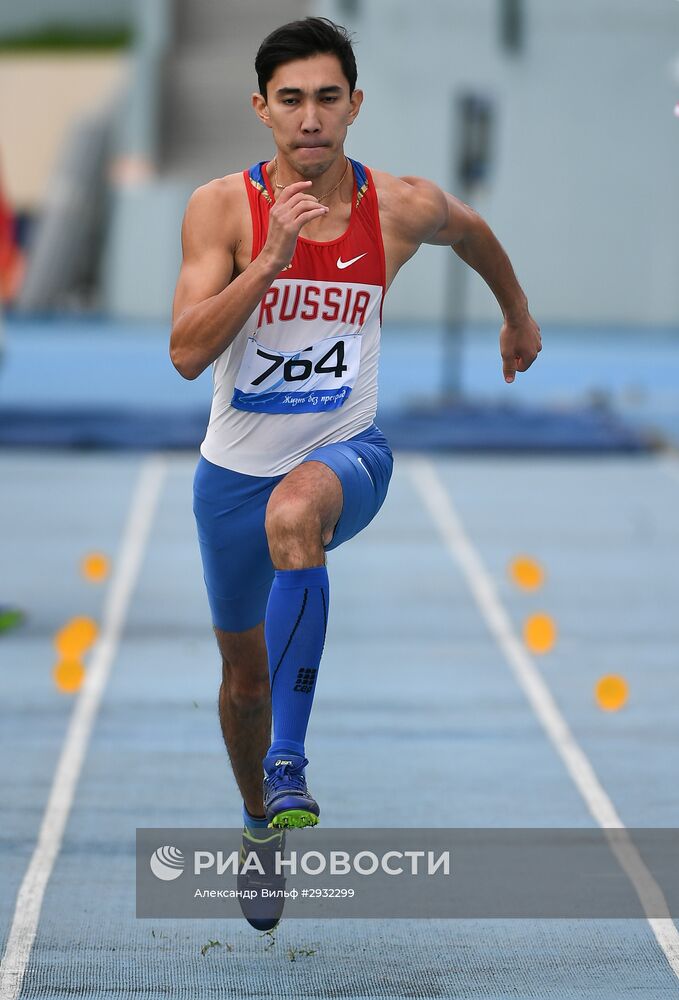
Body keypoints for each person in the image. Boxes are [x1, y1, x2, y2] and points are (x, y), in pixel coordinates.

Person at [170, 16, 541, 927]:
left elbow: (475, 231)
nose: (309, 118)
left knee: (297, 514)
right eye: (290, 100)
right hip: (230, 477)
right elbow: (184, 354)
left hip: (344, 454)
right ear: (261, 109)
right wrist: (269, 262)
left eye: (326, 98)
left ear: (354, 106)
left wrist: (516, 318)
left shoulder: (398, 205)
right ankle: (260, 821)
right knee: (242, 685)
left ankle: (290, 766)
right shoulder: (222, 208)